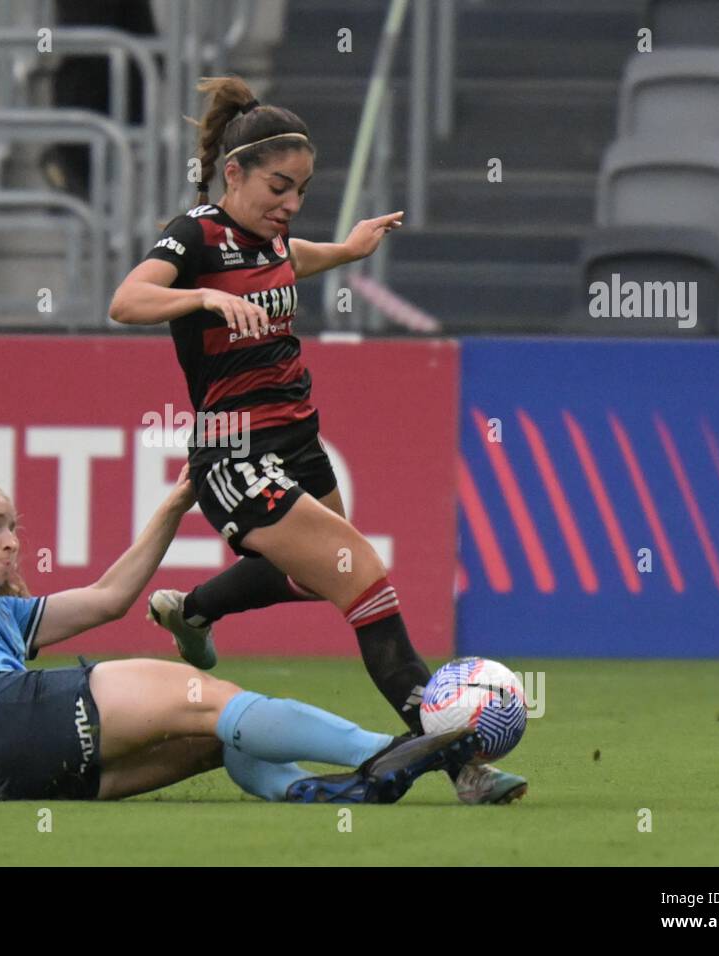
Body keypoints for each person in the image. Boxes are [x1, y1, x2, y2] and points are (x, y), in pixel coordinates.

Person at [107, 76, 526, 805]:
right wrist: (204, 296)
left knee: (315, 576)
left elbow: (285, 260)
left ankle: (196, 609)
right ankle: (462, 765)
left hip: (298, 440)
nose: (290, 204)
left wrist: (349, 249)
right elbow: (126, 300)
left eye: (300, 190)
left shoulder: (266, 234)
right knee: (363, 572)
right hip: (234, 453)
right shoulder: (195, 234)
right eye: (279, 186)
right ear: (232, 172)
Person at [0, 415, 480, 803]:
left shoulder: (6, 618)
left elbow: (110, 598)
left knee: (211, 737)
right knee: (206, 696)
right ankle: (391, 750)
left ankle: (324, 790)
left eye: (16, 527)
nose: (13, 541)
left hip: (2, 771)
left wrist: (179, 501)